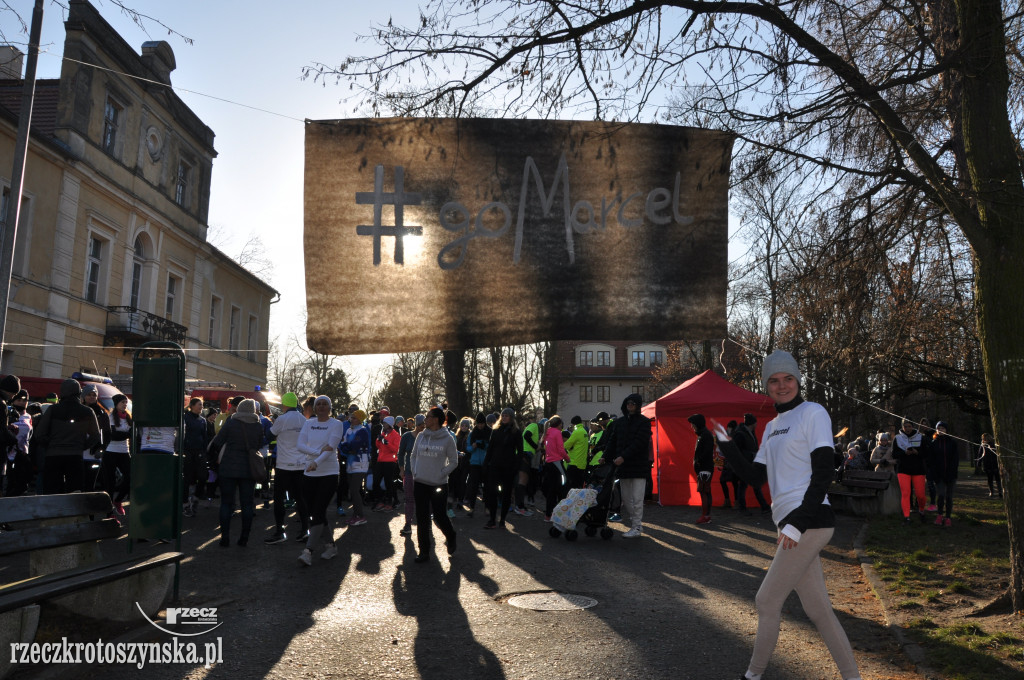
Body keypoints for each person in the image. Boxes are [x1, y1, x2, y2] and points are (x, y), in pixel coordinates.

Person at [713, 349, 862, 680]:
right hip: (793, 522)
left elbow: (824, 472)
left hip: (808, 521)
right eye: (774, 380)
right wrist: (725, 444)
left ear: (798, 380)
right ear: (766, 386)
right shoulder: (773, 426)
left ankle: (752, 676)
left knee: (766, 600)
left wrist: (798, 521)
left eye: (788, 379)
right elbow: (754, 477)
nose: (782, 386)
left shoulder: (813, 413)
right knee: (819, 611)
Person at [208, 398, 265, 547]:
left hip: (228, 468)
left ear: (239, 409)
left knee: (226, 503)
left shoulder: (231, 423)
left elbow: (218, 442)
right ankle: (244, 538)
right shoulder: (257, 425)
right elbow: (259, 444)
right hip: (248, 470)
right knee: (247, 504)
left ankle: (224, 538)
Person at [296, 395, 344, 565]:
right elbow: (300, 445)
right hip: (309, 473)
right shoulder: (308, 423)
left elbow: (331, 448)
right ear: (315, 407)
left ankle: (308, 551)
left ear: (330, 408)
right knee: (315, 512)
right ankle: (331, 546)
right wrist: (317, 453)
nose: (322, 407)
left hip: (329, 473)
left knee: (318, 511)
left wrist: (316, 461)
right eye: (319, 404)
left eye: (325, 404)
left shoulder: (336, 424)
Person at [408, 406, 459, 563]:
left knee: (439, 516)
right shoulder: (421, 436)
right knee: (422, 518)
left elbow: (454, 461)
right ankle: (424, 552)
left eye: (428, 417)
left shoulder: (448, 438)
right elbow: (413, 455)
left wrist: (441, 473)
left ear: (436, 419)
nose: (425, 420)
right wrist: (415, 471)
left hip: (438, 484)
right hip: (420, 482)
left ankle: (451, 536)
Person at [35, 379, 100, 494]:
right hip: (75, 455)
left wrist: (50, 445)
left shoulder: (53, 409)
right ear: (79, 393)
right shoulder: (87, 411)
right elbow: (95, 435)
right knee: (74, 491)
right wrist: (82, 446)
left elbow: (39, 434)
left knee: (52, 491)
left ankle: (54, 512)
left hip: (53, 455)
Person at [605, 393, 652, 538]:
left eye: (633, 403)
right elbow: (613, 441)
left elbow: (639, 443)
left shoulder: (644, 422)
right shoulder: (619, 423)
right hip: (624, 467)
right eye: (628, 403)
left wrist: (623, 457)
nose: (630, 405)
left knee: (637, 498)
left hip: (638, 466)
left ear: (638, 405)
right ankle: (635, 523)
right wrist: (604, 456)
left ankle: (637, 526)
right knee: (626, 498)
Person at [265, 392, 309, 544]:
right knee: (301, 498)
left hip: (284, 465)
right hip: (300, 465)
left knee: (279, 498)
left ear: (284, 405)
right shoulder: (304, 420)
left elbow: (269, 435)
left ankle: (279, 531)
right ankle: (305, 530)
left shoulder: (282, 419)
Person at [483, 407, 524, 530]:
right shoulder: (496, 431)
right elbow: (490, 448)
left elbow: (520, 451)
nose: (505, 417)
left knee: (506, 494)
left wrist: (516, 466)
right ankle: (492, 519)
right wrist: (486, 463)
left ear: (511, 418)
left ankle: (502, 519)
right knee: (492, 493)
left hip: (508, 467)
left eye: (507, 416)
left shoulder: (516, 432)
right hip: (495, 465)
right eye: (503, 415)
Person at [101, 394, 132, 521]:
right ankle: (109, 513)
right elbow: (114, 435)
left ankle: (118, 500)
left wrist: (125, 434)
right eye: (122, 402)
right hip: (111, 451)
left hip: (124, 451)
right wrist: (127, 434)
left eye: (126, 402)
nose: (124, 404)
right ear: (116, 404)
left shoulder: (129, 417)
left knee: (131, 477)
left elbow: (132, 433)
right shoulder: (111, 417)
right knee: (110, 483)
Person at [733, 413, 770, 514]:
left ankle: (763, 506)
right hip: (745, 464)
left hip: (751, 463)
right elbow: (737, 450)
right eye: (755, 422)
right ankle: (743, 508)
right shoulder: (740, 434)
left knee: (753, 485)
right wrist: (751, 455)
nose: (756, 424)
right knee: (744, 486)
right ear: (752, 423)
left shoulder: (749, 432)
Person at [340, 409, 371, 526]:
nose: (351, 419)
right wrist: (348, 448)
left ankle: (360, 516)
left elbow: (355, 446)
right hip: (350, 463)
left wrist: (349, 447)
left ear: (360, 420)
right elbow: (343, 445)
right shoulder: (348, 430)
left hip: (361, 463)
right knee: (352, 490)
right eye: (351, 417)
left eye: (354, 418)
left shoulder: (363, 431)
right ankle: (355, 514)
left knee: (354, 489)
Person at [893, 418, 928, 523]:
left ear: (913, 426)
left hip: (918, 469)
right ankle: (906, 517)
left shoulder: (921, 437)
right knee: (906, 493)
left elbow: (926, 453)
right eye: (905, 426)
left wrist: (917, 452)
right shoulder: (897, 438)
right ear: (902, 427)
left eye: (909, 426)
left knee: (920, 495)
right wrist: (905, 453)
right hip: (903, 469)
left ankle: (921, 510)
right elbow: (894, 454)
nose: (907, 428)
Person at [397, 414, 425, 537]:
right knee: (409, 498)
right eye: (419, 425)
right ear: (415, 424)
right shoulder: (407, 436)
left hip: (424, 473)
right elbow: (401, 453)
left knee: (424, 499)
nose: (422, 427)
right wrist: (401, 469)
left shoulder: (428, 436)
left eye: (423, 425)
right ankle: (408, 524)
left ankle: (425, 524)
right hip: (409, 472)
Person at [182, 397, 209, 518]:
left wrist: (204, 451)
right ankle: (186, 504)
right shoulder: (185, 418)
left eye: (202, 405)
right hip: (187, 452)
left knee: (203, 476)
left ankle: (196, 498)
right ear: (191, 406)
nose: (201, 407)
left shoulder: (203, 420)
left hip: (200, 452)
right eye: (199, 404)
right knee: (187, 479)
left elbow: (205, 437)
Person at [540, 415, 570, 521]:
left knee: (551, 489)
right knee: (563, 486)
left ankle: (548, 514)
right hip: (557, 462)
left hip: (548, 463)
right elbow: (561, 449)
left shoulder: (547, 432)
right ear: (559, 424)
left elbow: (544, 445)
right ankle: (562, 513)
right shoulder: (557, 433)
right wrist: (567, 459)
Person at [81, 384, 111, 491]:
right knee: (79, 484)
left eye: (94, 395)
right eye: (89, 395)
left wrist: (102, 448)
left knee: (90, 483)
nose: (92, 397)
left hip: (94, 454)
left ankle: (88, 505)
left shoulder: (102, 413)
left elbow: (107, 433)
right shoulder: (79, 411)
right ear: (83, 397)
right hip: (79, 452)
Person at [930, 422, 959, 527]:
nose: (940, 430)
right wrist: (934, 475)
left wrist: (952, 473)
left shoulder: (952, 443)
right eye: (939, 428)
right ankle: (939, 515)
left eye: (942, 428)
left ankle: (948, 517)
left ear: (946, 430)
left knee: (949, 497)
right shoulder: (934, 443)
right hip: (939, 476)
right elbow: (931, 461)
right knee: (941, 495)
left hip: (951, 475)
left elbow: (955, 460)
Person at [688, 413, 715, 525]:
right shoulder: (703, 434)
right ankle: (706, 515)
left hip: (705, 468)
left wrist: (699, 461)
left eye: (693, 424)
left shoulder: (705, 435)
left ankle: (706, 516)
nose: (692, 426)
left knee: (704, 492)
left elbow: (707, 452)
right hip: (704, 468)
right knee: (705, 492)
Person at [462, 413, 491, 517]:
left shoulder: (489, 432)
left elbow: (491, 447)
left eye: (482, 424)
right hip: (474, 463)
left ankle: (488, 507)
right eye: (478, 424)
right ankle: (472, 507)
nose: (480, 426)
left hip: (485, 462)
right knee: (473, 486)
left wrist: (484, 445)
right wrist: (474, 446)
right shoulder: (472, 433)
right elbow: (468, 448)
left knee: (487, 487)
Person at [374, 415, 401, 512]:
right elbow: (378, 446)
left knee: (388, 482)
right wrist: (378, 439)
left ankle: (389, 502)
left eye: (385, 423)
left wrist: (387, 443)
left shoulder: (396, 435)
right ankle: (381, 500)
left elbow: (395, 449)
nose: (383, 425)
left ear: (389, 424)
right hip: (380, 460)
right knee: (376, 481)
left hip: (390, 462)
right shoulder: (383, 433)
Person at [564, 415, 589, 490]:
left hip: (574, 463)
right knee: (579, 486)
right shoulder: (584, 431)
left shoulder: (577, 432)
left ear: (574, 424)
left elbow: (566, 445)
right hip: (582, 463)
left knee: (571, 487)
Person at [977, 433, 1001, 498]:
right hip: (987, 465)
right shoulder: (983, 446)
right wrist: (979, 463)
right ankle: (992, 492)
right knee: (990, 479)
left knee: (997, 478)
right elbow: (980, 454)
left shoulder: (994, 445)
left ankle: (1000, 492)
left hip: (995, 464)